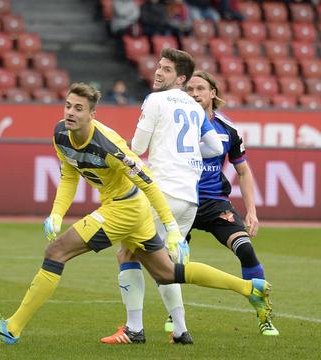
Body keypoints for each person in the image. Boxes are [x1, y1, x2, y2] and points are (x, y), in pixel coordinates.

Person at [0, 82, 272, 345]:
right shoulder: (60, 133)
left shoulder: (110, 147)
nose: (70, 113)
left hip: (123, 209)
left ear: (92, 115)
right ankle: (250, 289)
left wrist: (172, 228)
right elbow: (69, 175)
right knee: (168, 272)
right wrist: (56, 213)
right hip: (129, 210)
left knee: (56, 252)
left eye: (78, 108)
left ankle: (12, 327)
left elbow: (148, 183)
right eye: (68, 106)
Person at [101, 48, 223, 345]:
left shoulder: (155, 100)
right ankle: (180, 330)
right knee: (164, 264)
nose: (158, 71)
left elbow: (139, 146)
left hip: (162, 192)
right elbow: (216, 148)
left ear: (180, 78)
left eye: (166, 69)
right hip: (188, 198)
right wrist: (189, 156)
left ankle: (133, 329)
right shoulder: (195, 107)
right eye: (158, 66)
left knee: (126, 252)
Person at [185, 71, 279, 336]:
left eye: (200, 88)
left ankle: (263, 314)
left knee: (246, 250)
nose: (194, 94)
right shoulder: (176, 126)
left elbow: (244, 172)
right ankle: (175, 318)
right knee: (173, 261)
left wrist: (252, 211)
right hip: (182, 202)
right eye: (189, 89)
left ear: (213, 92)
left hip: (215, 203)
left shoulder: (228, 130)